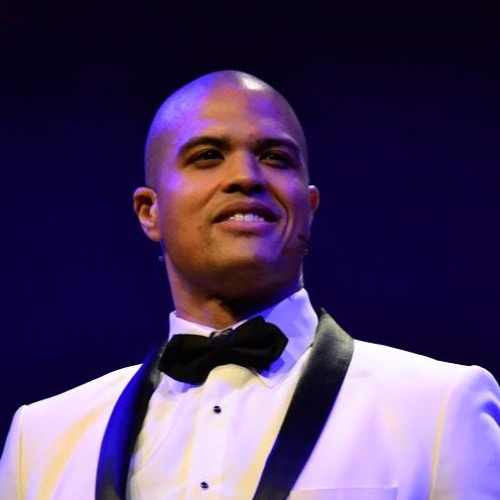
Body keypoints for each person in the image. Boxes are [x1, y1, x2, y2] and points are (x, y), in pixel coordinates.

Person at [1, 70, 499, 499]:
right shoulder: (40, 439)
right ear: (150, 212)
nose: (246, 176)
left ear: (309, 206)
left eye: (275, 157)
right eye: (207, 155)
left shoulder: (439, 408)